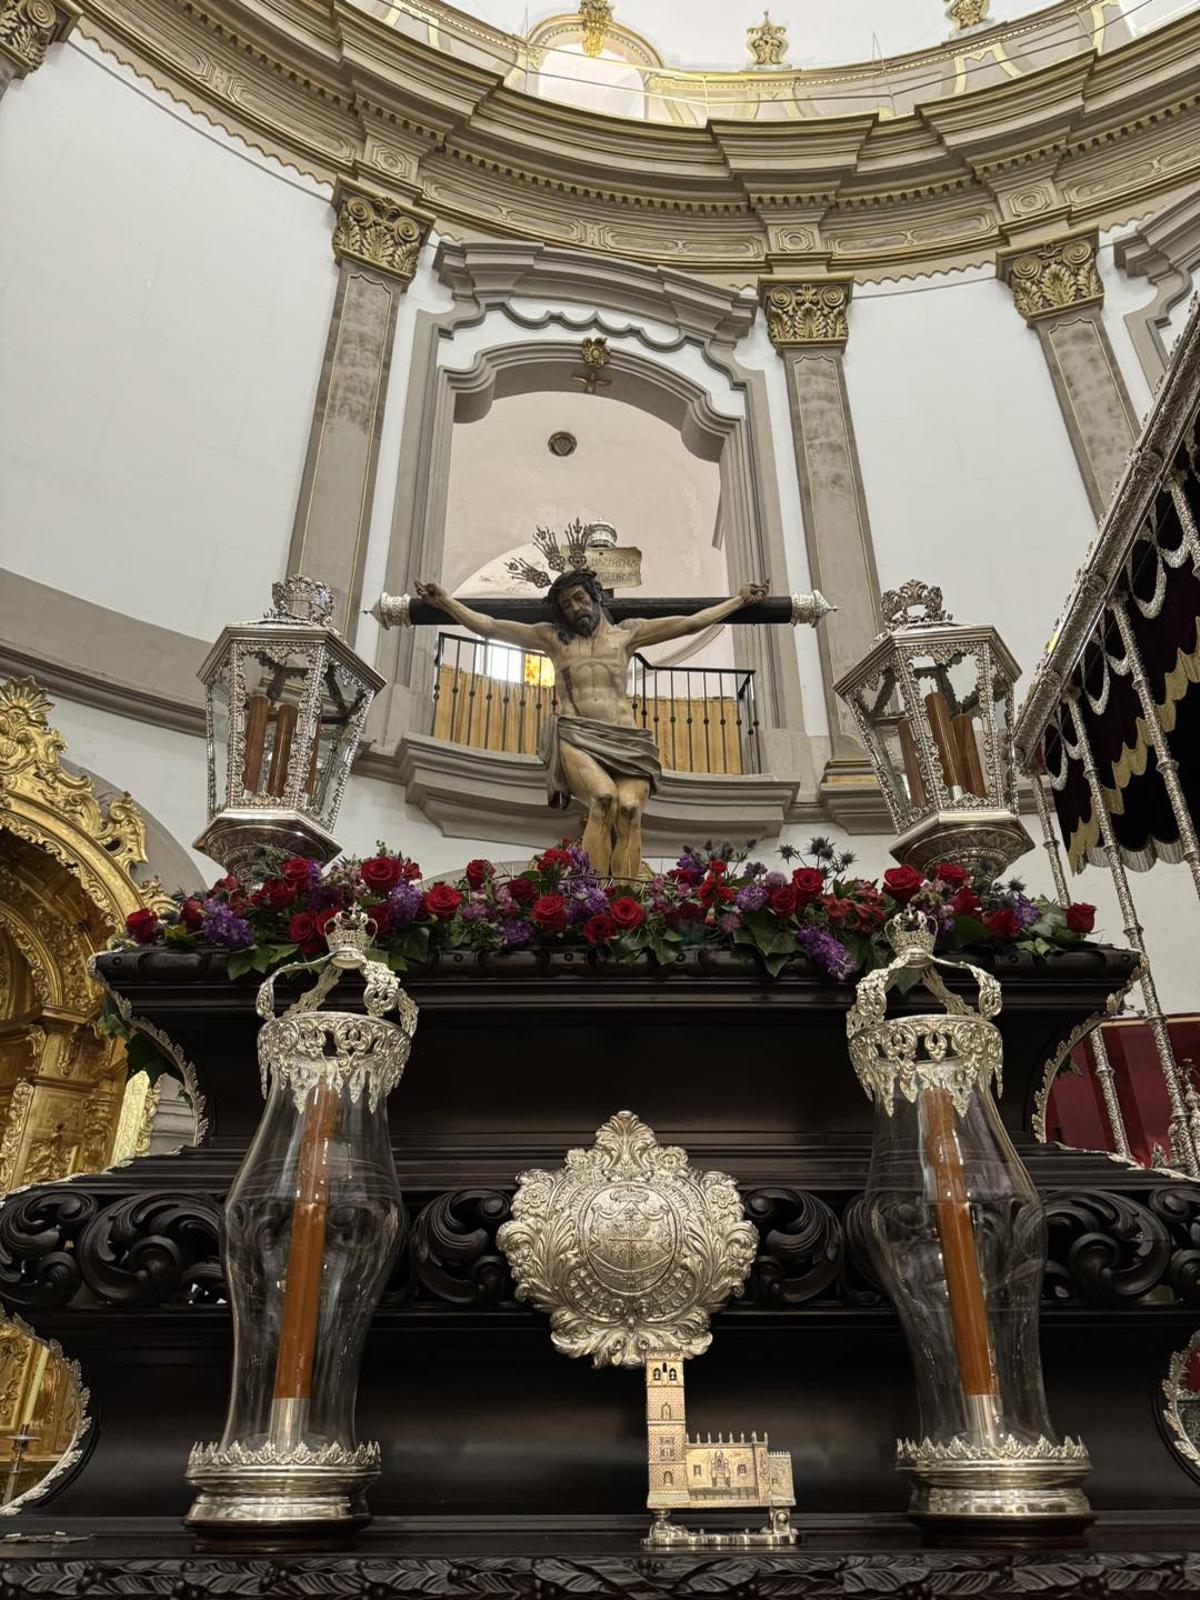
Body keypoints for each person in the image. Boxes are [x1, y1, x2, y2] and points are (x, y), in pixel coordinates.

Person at [415, 570, 767, 878]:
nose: (575, 609)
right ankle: (593, 894)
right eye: (566, 605)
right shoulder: (552, 638)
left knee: (628, 809)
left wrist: (737, 601)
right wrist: (446, 601)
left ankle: (625, 897)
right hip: (577, 734)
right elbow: (489, 626)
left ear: (596, 596)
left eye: (580, 599)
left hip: (627, 739)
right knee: (602, 798)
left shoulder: (628, 634)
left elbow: (690, 623)